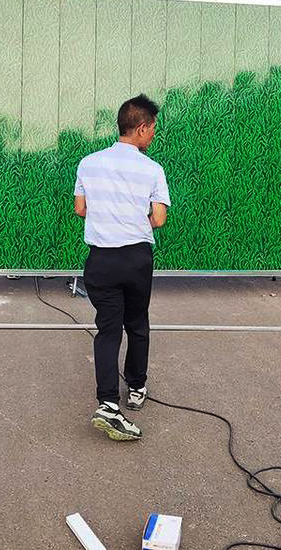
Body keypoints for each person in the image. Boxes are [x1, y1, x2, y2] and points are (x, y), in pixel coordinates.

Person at [74, 95, 170, 441]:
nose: (154, 134)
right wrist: (133, 218)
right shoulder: (152, 169)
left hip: (100, 260)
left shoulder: (88, 163)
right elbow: (159, 219)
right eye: (153, 128)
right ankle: (137, 388)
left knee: (108, 329)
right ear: (141, 128)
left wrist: (107, 215)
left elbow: (80, 209)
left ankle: (108, 403)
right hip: (136, 259)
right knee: (137, 323)